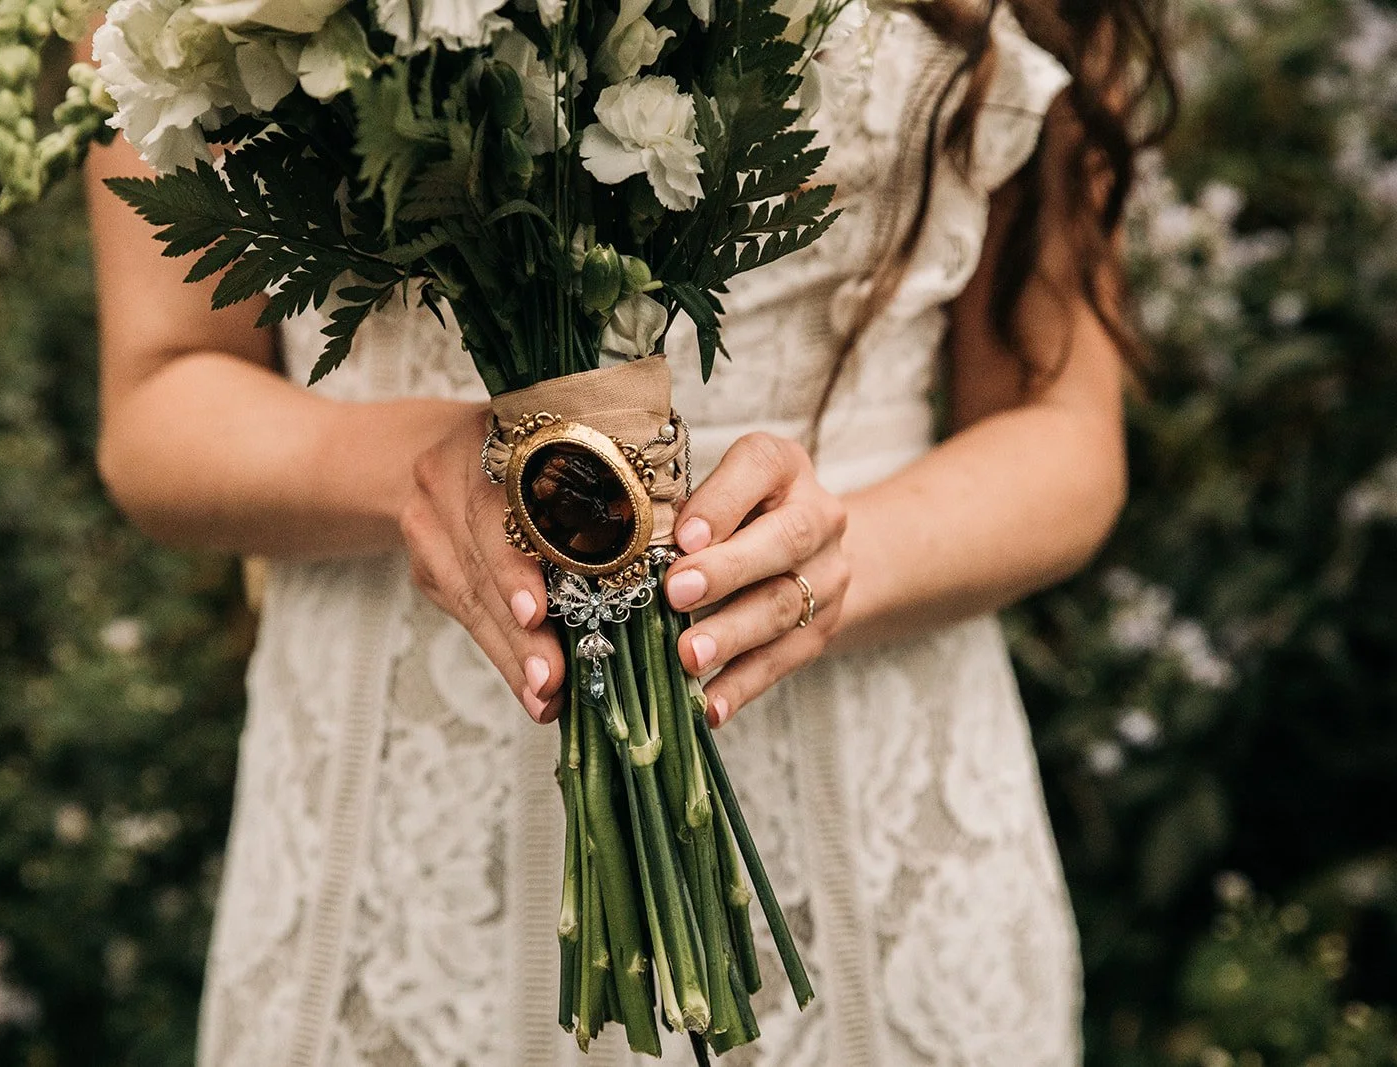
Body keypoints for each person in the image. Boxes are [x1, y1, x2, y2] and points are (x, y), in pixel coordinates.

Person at [81, 0, 1171, 1062]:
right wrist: (416, 463)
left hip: (867, 782)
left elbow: (1061, 432)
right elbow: (161, 404)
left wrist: (837, 561)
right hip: (401, 799)